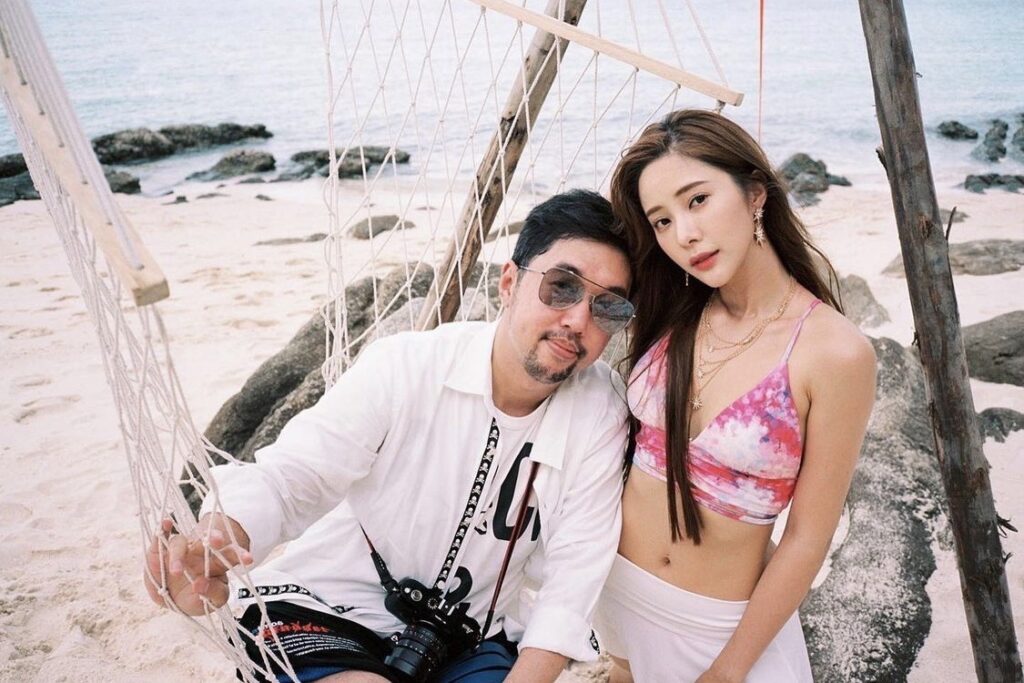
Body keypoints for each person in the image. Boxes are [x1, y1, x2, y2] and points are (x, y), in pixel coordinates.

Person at [144, 189, 635, 683]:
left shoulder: (602, 413)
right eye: (562, 287)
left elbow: (572, 580)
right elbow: (291, 477)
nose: (578, 320)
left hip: (469, 637)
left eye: (608, 308)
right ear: (509, 283)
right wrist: (218, 542)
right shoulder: (406, 365)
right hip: (326, 605)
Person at [597, 109, 877, 682]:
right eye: (662, 221)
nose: (684, 235)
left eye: (697, 200)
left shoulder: (834, 352)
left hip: (718, 631)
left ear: (755, 194)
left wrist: (727, 672)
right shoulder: (674, 312)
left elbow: (807, 538)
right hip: (615, 595)